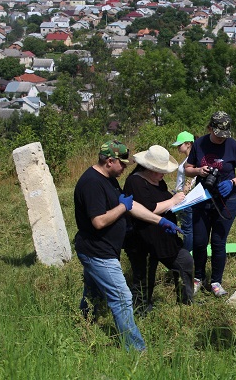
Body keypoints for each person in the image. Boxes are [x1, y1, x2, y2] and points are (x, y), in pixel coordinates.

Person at [74, 140, 175, 352]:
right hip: (97, 252)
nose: (126, 168)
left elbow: (131, 205)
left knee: (93, 293)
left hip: (103, 249)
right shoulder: (92, 184)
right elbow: (99, 221)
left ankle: (83, 325)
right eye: (123, 164)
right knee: (122, 297)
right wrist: (122, 207)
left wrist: (159, 221)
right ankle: (137, 350)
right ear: (110, 161)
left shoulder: (109, 179)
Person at [184, 111, 236, 297]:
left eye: (225, 136)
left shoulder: (234, 146)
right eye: (218, 135)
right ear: (210, 128)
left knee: (219, 242)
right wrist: (199, 170)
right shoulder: (199, 144)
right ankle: (198, 277)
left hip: (227, 200)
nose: (222, 139)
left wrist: (232, 183)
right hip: (202, 199)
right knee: (199, 241)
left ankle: (216, 281)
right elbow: (187, 169)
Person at [123, 145, 194, 312]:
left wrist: (181, 198)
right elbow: (145, 209)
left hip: (165, 237)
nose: (164, 174)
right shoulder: (135, 182)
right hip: (143, 240)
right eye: (161, 170)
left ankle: (186, 301)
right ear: (149, 168)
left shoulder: (158, 181)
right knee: (144, 277)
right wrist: (172, 202)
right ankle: (141, 309)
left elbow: (167, 200)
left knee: (185, 262)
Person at [172, 131, 195, 253]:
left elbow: (189, 180)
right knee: (188, 227)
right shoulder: (188, 158)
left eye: (180, 144)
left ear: (188, 144)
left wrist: (182, 195)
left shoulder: (191, 159)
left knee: (187, 228)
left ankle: (186, 253)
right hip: (183, 196)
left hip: (186, 198)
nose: (177, 147)